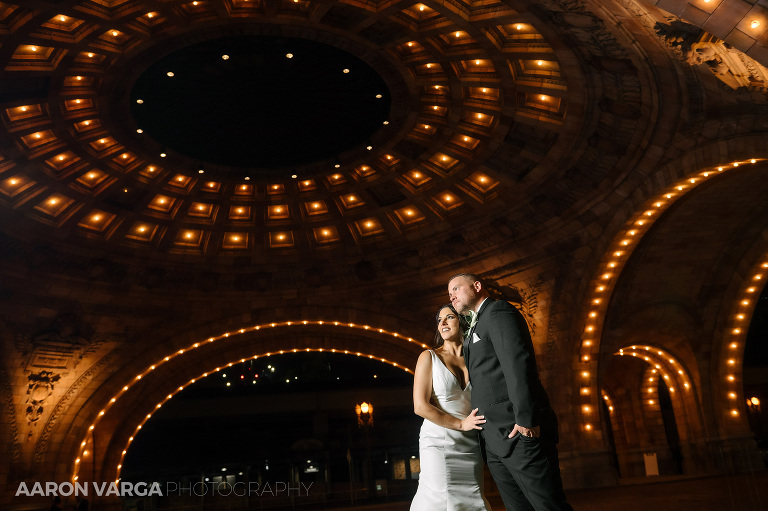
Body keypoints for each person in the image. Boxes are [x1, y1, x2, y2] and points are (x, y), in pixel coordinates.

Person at [448, 273, 573, 511]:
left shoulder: (497, 311)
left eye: (456, 288)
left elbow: (518, 364)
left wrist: (526, 420)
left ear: (477, 286)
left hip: (519, 432)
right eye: (449, 293)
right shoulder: (476, 323)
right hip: (493, 439)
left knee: (549, 506)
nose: (451, 296)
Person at [410, 304, 493, 510]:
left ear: (463, 322)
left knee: (473, 499)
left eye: (449, 317)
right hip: (438, 442)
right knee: (439, 499)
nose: (443, 323)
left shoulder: (475, 359)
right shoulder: (428, 357)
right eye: (439, 320)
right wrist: (460, 424)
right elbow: (420, 406)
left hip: (470, 444)